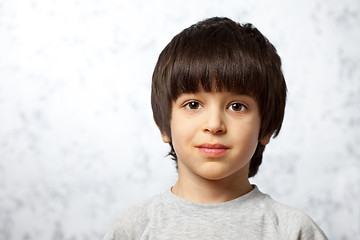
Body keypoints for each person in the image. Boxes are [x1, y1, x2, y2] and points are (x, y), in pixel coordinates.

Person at [103, 17, 328, 239]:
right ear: (164, 126)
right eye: (193, 105)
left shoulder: (293, 231)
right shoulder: (132, 230)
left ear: (267, 128)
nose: (214, 125)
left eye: (237, 106)